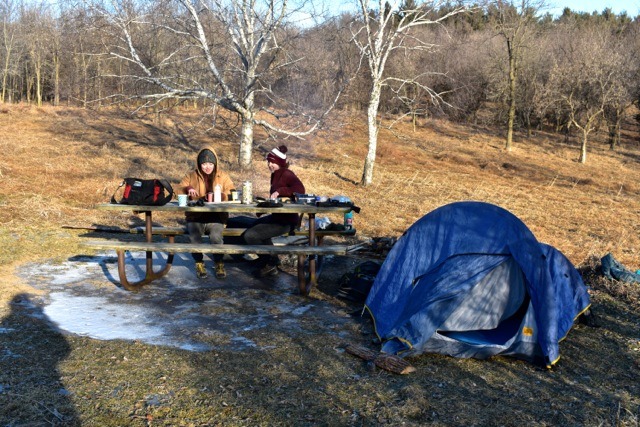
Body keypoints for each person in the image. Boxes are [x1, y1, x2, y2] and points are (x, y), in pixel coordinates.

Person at [243, 145, 305, 277]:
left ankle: (267, 262)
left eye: (273, 162)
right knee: (252, 226)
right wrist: (264, 209)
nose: (270, 164)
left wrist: (280, 190)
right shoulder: (275, 175)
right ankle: (272, 261)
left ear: (280, 163)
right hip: (277, 218)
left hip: (287, 221)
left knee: (251, 235)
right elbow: (276, 200)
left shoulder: (287, 174)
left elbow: (300, 190)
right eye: (269, 162)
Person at [179, 146, 234, 279]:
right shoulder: (191, 176)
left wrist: (221, 196)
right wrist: (188, 188)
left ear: (215, 164)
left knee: (216, 237)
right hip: (195, 217)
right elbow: (179, 189)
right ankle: (199, 262)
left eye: (210, 163)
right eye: (204, 164)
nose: (207, 167)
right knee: (194, 236)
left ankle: (219, 262)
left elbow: (232, 191)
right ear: (199, 164)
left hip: (216, 216)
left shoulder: (223, 176)